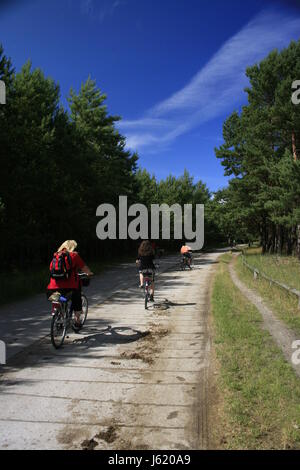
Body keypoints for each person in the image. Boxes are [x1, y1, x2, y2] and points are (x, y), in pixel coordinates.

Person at [46, 240, 93, 326]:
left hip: (51, 288)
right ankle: (77, 320)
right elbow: (84, 268)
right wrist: (89, 273)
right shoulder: (74, 255)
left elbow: (51, 269)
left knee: (57, 298)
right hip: (70, 287)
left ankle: (57, 314)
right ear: (72, 248)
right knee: (77, 297)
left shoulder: (56, 255)